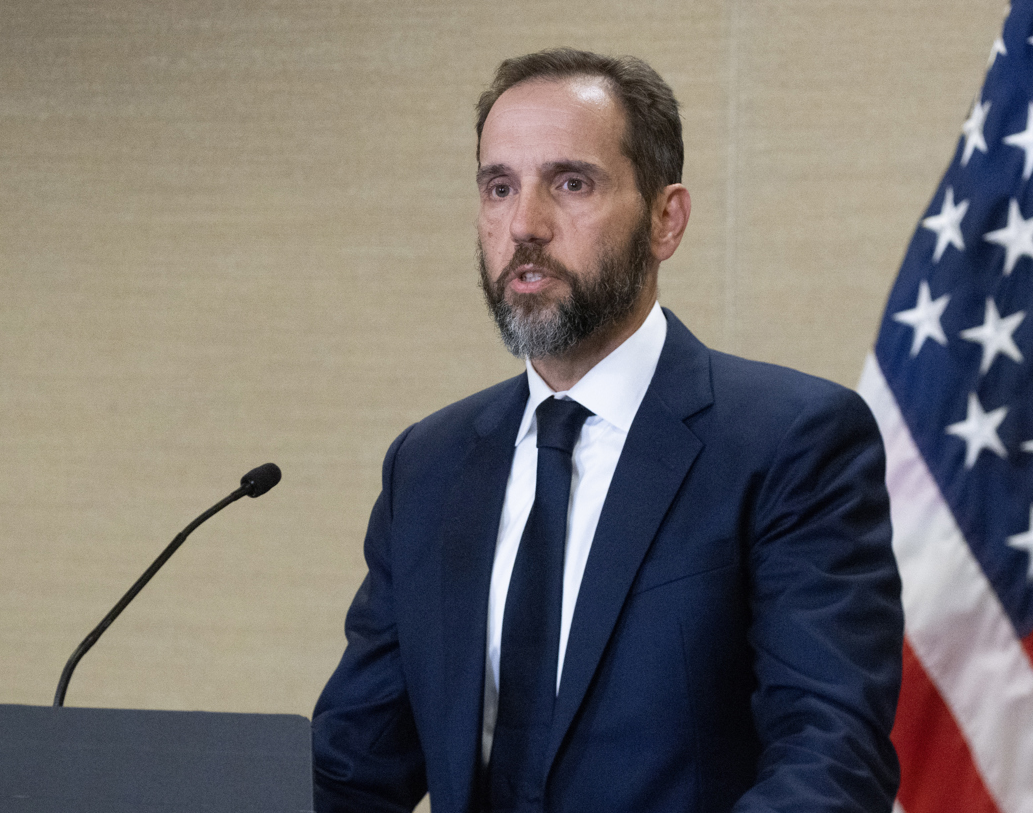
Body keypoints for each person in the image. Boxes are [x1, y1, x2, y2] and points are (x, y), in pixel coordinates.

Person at [312, 48, 902, 813]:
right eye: (499, 187)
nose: (525, 224)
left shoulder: (793, 442)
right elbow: (353, 767)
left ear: (666, 218)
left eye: (570, 183)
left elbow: (831, 759)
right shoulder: (429, 464)